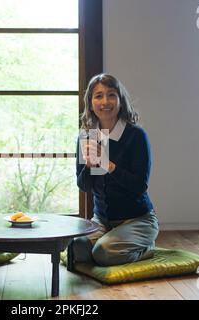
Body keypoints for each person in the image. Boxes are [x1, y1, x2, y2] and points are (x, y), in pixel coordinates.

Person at [74, 73, 159, 267]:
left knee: (103, 253)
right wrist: (88, 166)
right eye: (98, 96)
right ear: (90, 102)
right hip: (103, 221)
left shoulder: (135, 135)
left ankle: (146, 248)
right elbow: (83, 185)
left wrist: (108, 165)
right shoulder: (87, 136)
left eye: (111, 95)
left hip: (137, 220)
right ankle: (114, 243)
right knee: (76, 249)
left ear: (120, 100)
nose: (105, 101)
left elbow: (139, 186)